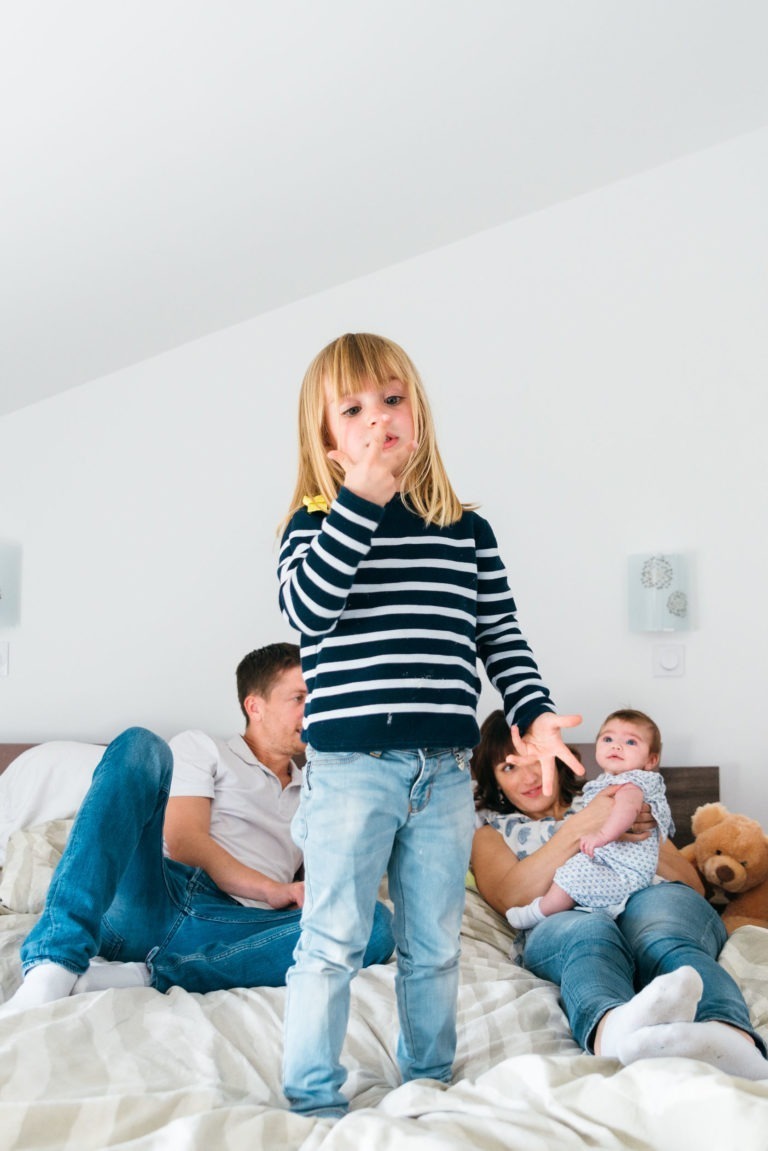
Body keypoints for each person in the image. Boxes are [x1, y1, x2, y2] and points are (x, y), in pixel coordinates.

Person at [277, 331, 585, 1117]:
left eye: (392, 397)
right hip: (351, 770)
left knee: (435, 944)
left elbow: (501, 637)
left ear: (417, 410)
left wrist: (535, 715)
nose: (379, 417)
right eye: (353, 408)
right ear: (327, 439)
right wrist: (360, 502)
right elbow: (307, 611)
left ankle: (426, 1081)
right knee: (333, 940)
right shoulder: (315, 525)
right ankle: (312, 1096)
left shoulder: (465, 532)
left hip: (445, 772)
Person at [1, 643, 395, 1016]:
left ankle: (143, 976)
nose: (312, 712)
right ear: (254, 706)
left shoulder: (319, 789)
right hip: (158, 896)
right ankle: (53, 962)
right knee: (141, 745)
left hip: (236, 931)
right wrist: (273, 889)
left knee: (375, 924)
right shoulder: (205, 748)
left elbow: (332, 883)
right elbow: (187, 842)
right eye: (299, 698)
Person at [471, 709, 768, 1080]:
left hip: (649, 900)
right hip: (564, 918)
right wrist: (583, 826)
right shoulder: (490, 833)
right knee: (588, 934)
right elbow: (509, 896)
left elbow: (691, 884)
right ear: (493, 778)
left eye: (537, 760)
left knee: (661, 933)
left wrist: (630, 829)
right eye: (509, 767)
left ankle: (733, 1040)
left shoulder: (617, 793)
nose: (529, 776)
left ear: (559, 756)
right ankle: (611, 1031)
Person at [506, 709, 672, 929]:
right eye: (608, 739)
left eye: (631, 742)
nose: (616, 746)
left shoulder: (632, 782)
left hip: (625, 873)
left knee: (574, 876)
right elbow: (503, 897)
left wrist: (602, 834)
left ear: (651, 760)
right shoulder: (491, 831)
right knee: (576, 879)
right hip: (611, 874)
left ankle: (540, 911)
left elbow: (627, 808)